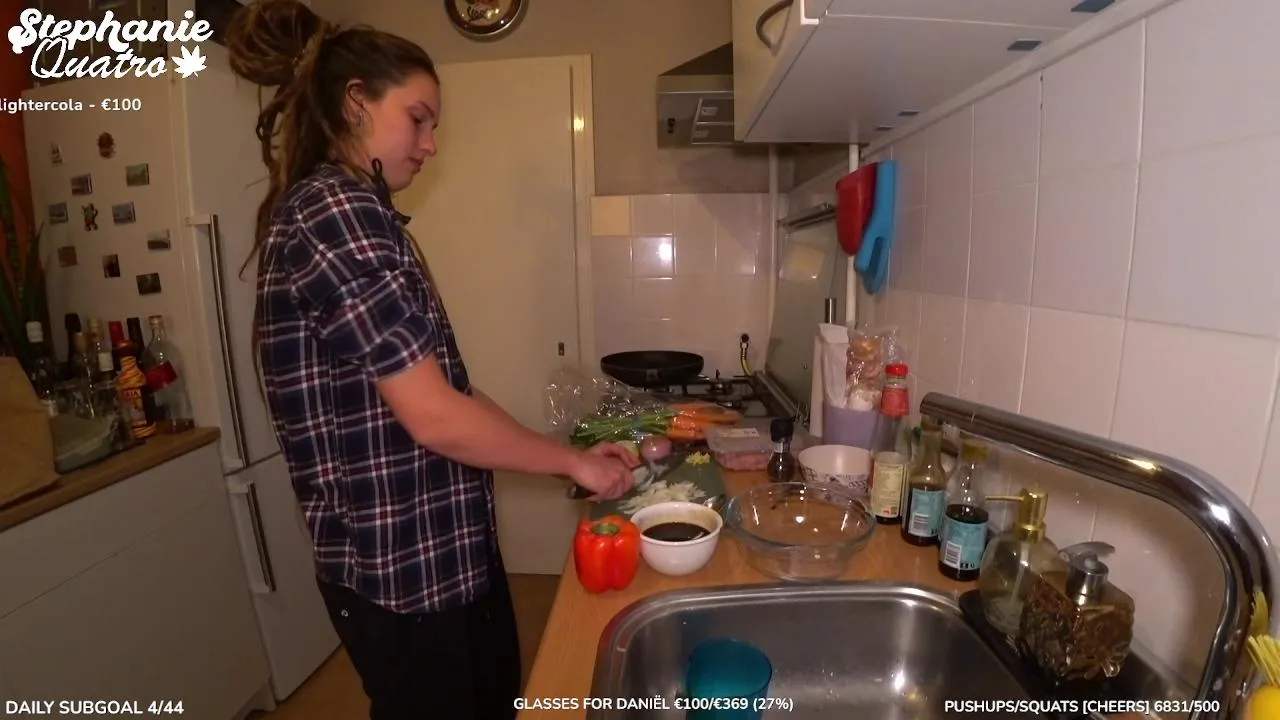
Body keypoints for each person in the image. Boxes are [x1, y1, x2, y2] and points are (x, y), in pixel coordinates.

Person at [224, 3, 639, 718]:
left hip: (445, 552)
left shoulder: (371, 216)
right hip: (398, 570)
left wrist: (567, 456)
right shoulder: (334, 213)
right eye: (417, 119)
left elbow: (454, 392)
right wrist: (573, 465)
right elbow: (434, 416)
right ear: (356, 101)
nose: (431, 145)